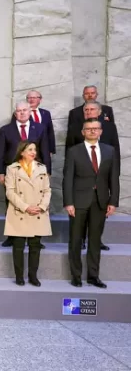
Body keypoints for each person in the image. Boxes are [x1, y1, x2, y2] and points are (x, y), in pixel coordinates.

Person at [64, 119, 120, 289]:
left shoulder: (109, 150)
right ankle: (76, 276)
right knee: (75, 240)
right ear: (83, 132)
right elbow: (68, 178)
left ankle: (93, 276)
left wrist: (113, 201)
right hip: (78, 202)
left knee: (95, 240)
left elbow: (114, 178)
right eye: (88, 129)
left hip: (100, 201)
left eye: (96, 128)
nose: (92, 131)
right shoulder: (74, 151)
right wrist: (68, 202)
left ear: (101, 131)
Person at [65, 101, 119, 251]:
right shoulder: (75, 128)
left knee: (98, 220)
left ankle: (96, 241)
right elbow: (69, 149)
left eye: (92, 109)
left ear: (100, 111)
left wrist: (115, 174)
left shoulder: (109, 127)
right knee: (79, 220)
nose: (89, 112)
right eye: (86, 109)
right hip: (82, 181)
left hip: (102, 178)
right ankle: (81, 239)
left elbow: (115, 148)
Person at [0, 102, 51, 247]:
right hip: (12, 171)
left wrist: (48, 171)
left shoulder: (40, 128)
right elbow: (0, 152)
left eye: (24, 110)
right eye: (19, 111)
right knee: (12, 202)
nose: (21, 113)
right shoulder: (6, 130)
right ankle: (12, 236)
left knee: (36, 201)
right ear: (15, 113)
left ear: (30, 112)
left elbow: (45, 150)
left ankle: (36, 238)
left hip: (35, 171)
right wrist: (0, 172)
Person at [3, 141, 51, 287]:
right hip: (20, 212)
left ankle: (33, 276)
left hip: (37, 212)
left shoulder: (42, 168)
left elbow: (47, 190)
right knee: (18, 246)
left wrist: (42, 207)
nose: (33, 152)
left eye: (35, 149)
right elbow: (10, 192)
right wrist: (25, 207)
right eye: (30, 149)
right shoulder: (12, 168)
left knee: (35, 246)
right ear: (22, 152)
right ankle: (19, 276)